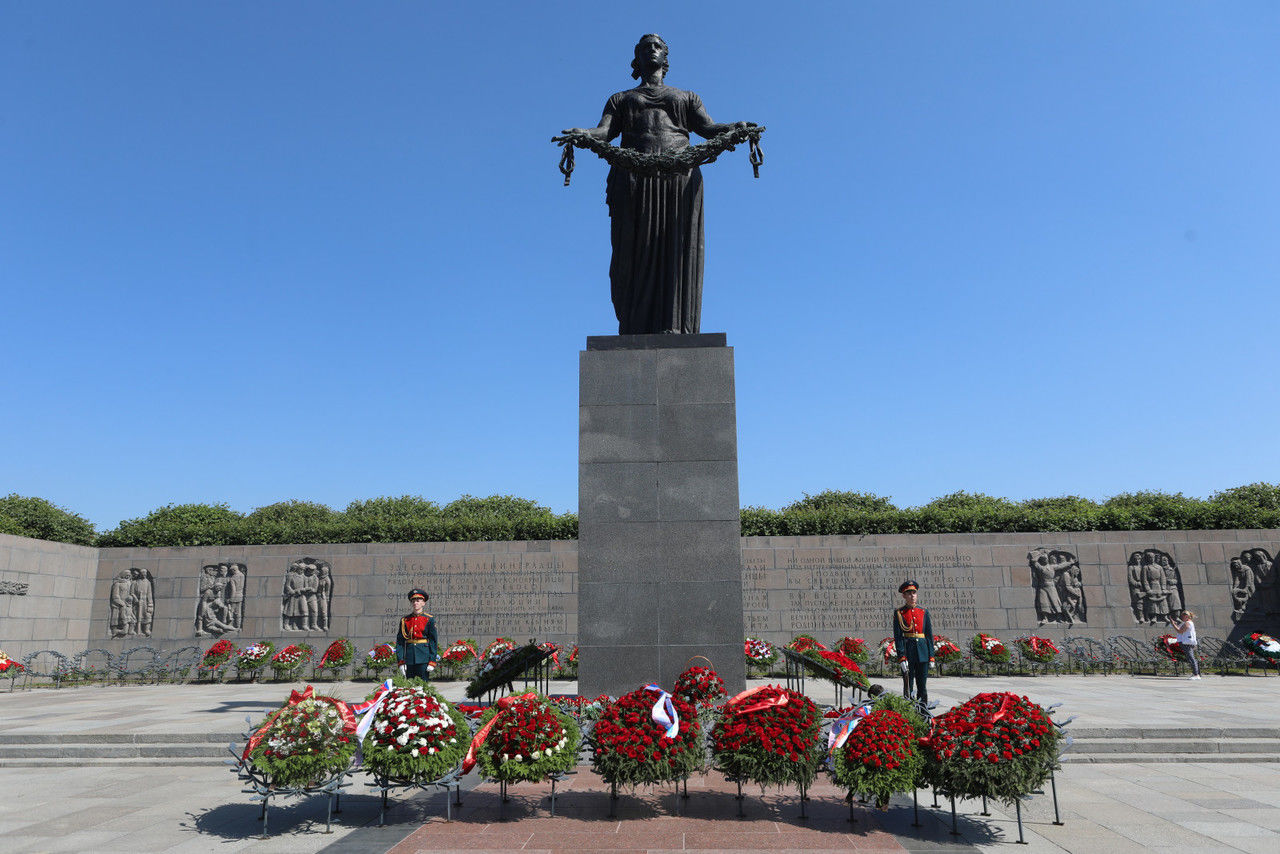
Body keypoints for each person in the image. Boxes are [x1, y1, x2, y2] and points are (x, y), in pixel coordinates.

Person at [562, 34, 756, 334]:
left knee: (676, 248)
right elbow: (604, 132)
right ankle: (634, 326)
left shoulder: (687, 97)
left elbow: (708, 128)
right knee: (630, 252)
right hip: (633, 176)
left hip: (679, 175)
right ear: (636, 61)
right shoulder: (620, 98)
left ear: (666, 59)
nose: (651, 49)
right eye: (644, 47)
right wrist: (583, 133)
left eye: (657, 46)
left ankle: (675, 326)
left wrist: (735, 127)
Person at [892, 579, 934, 710]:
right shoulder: (900, 613)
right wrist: (901, 657)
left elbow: (929, 635)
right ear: (904, 596)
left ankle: (923, 709)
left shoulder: (923, 612)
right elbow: (898, 637)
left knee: (922, 684)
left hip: (922, 651)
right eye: (909, 593)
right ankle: (909, 709)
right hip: (908, 650)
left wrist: (931, 656)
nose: (912, 596)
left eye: (914, 593)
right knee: (908, 684)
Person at [395, 588, 439, 681]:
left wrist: (432, 661)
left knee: (423, 687)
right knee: (409, 688)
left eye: (418, 601)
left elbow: (433, 642)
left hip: (423, 657)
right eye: (413, 601)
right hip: (409, 658)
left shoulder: (429, 619)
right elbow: (400, 642)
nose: (415, 603)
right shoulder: (405, 620)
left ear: (423, 603)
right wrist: (401, 662)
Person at [1169, 609, 1201, 679]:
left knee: (1191, 658)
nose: (1181, 618)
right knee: (1190, 657)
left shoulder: (1187, 623)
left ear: (1186, 616)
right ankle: (1195, 673)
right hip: (1186, 642)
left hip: (1186, 642)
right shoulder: (1187, 623)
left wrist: (1173, 624)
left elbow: (1179, 631)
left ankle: (1196, 674)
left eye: (1182, 616)